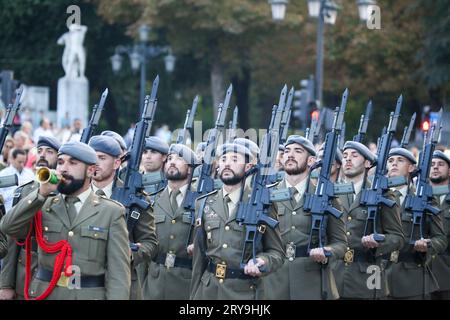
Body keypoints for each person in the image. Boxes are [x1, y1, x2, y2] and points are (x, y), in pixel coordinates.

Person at [0, 141, 131, 299]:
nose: (63, 168)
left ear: (90, 170)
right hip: (45, 294)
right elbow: (8, 227)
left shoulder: (111, 212)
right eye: (60, 162)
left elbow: (118, 275)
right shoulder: (42, 204)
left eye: (73, 163)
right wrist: (40, 193)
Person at [190, 143, 284, 300]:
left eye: (234, 159)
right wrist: (194, 296)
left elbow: (277, 253)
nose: (227, 163)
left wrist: (263, 261)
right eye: (223, 159)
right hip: (208, 291)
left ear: (248, 167)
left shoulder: (262, 203)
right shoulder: (204, 203)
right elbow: (199, 258)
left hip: (244, 292)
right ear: (218, 166)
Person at [263, 136, 346, 300]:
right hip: (274, 283)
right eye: (287, 151)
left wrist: (327, 251)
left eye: (298, 151)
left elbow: (341, 243)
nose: (290, 155)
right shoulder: (266, 195)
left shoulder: (325, 197)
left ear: (311, 160)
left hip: (312, 283)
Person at [89, 135, 158, 300]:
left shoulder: (135, 197)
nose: (95, 163)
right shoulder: (77, 192)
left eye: (102, 158)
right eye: (92, 157)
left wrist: (129, 254)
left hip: (122, 283)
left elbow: (150, 243)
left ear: (117, 163)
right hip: (83, 283)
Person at [333, 141, 404, 300]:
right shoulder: (333, 193)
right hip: (335, 276)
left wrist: (379, 242)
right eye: (344, 156)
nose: (348, 159)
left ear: (367, 163)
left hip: (368, 275)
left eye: (354, 155)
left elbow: (398, 238)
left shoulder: (383, 195)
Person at [0, 136, 60, 300]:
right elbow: (13, 241)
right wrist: (6, 284)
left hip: (56, 275)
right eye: (39, 151)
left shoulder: (66, 191)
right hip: (26, 276)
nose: (42, 155)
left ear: (59, 158)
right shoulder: (24, 192)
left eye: (49, 152)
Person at [386, 147, 447, 300]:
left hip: (411, 277)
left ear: (411, 167)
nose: (394, 164)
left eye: (400, 161)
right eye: (390, 160)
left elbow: (440, 238)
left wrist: (428, 245)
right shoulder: (375, 198)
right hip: (378, 275)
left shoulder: (424, 199)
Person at [142, 144, 198, 300]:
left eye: (180, 159)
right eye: (170, 158)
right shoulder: (152, 199)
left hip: (185, 284)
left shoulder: (201, 201)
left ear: (190, 168)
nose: (172, 162)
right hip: (154, 283)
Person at [429, 150, 450, 300]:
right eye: (432, 164)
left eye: (441, 164)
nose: (435, 167)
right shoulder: (417, 197)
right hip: (420, 272)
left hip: (446, 272)